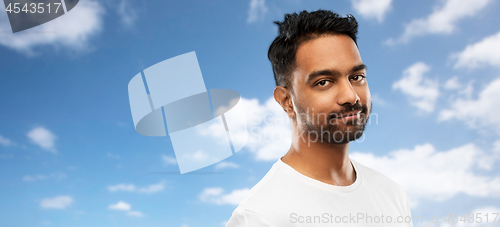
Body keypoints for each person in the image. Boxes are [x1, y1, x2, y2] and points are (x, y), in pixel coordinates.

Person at [226, 9, 413, 227]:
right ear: (287, 101)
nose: (350, 96)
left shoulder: (392, 194)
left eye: (357, 77)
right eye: (324, 82)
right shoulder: (260, 216)